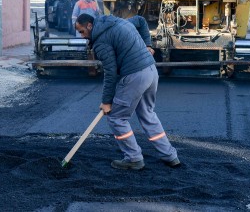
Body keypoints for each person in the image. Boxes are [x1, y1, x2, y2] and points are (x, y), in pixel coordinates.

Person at [74, 13, 180, 170]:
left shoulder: (101, 43)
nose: (82, 36)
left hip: (135, 75)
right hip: (151, 70)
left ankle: (133, 158)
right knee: (148, 115)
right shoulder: (116, 21)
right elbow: (140, 20)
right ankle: (170, 156)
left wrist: (106, 102)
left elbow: (110, 72)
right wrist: (148, 45)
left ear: (90, 25)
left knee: (116, 118)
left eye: (82, 31)